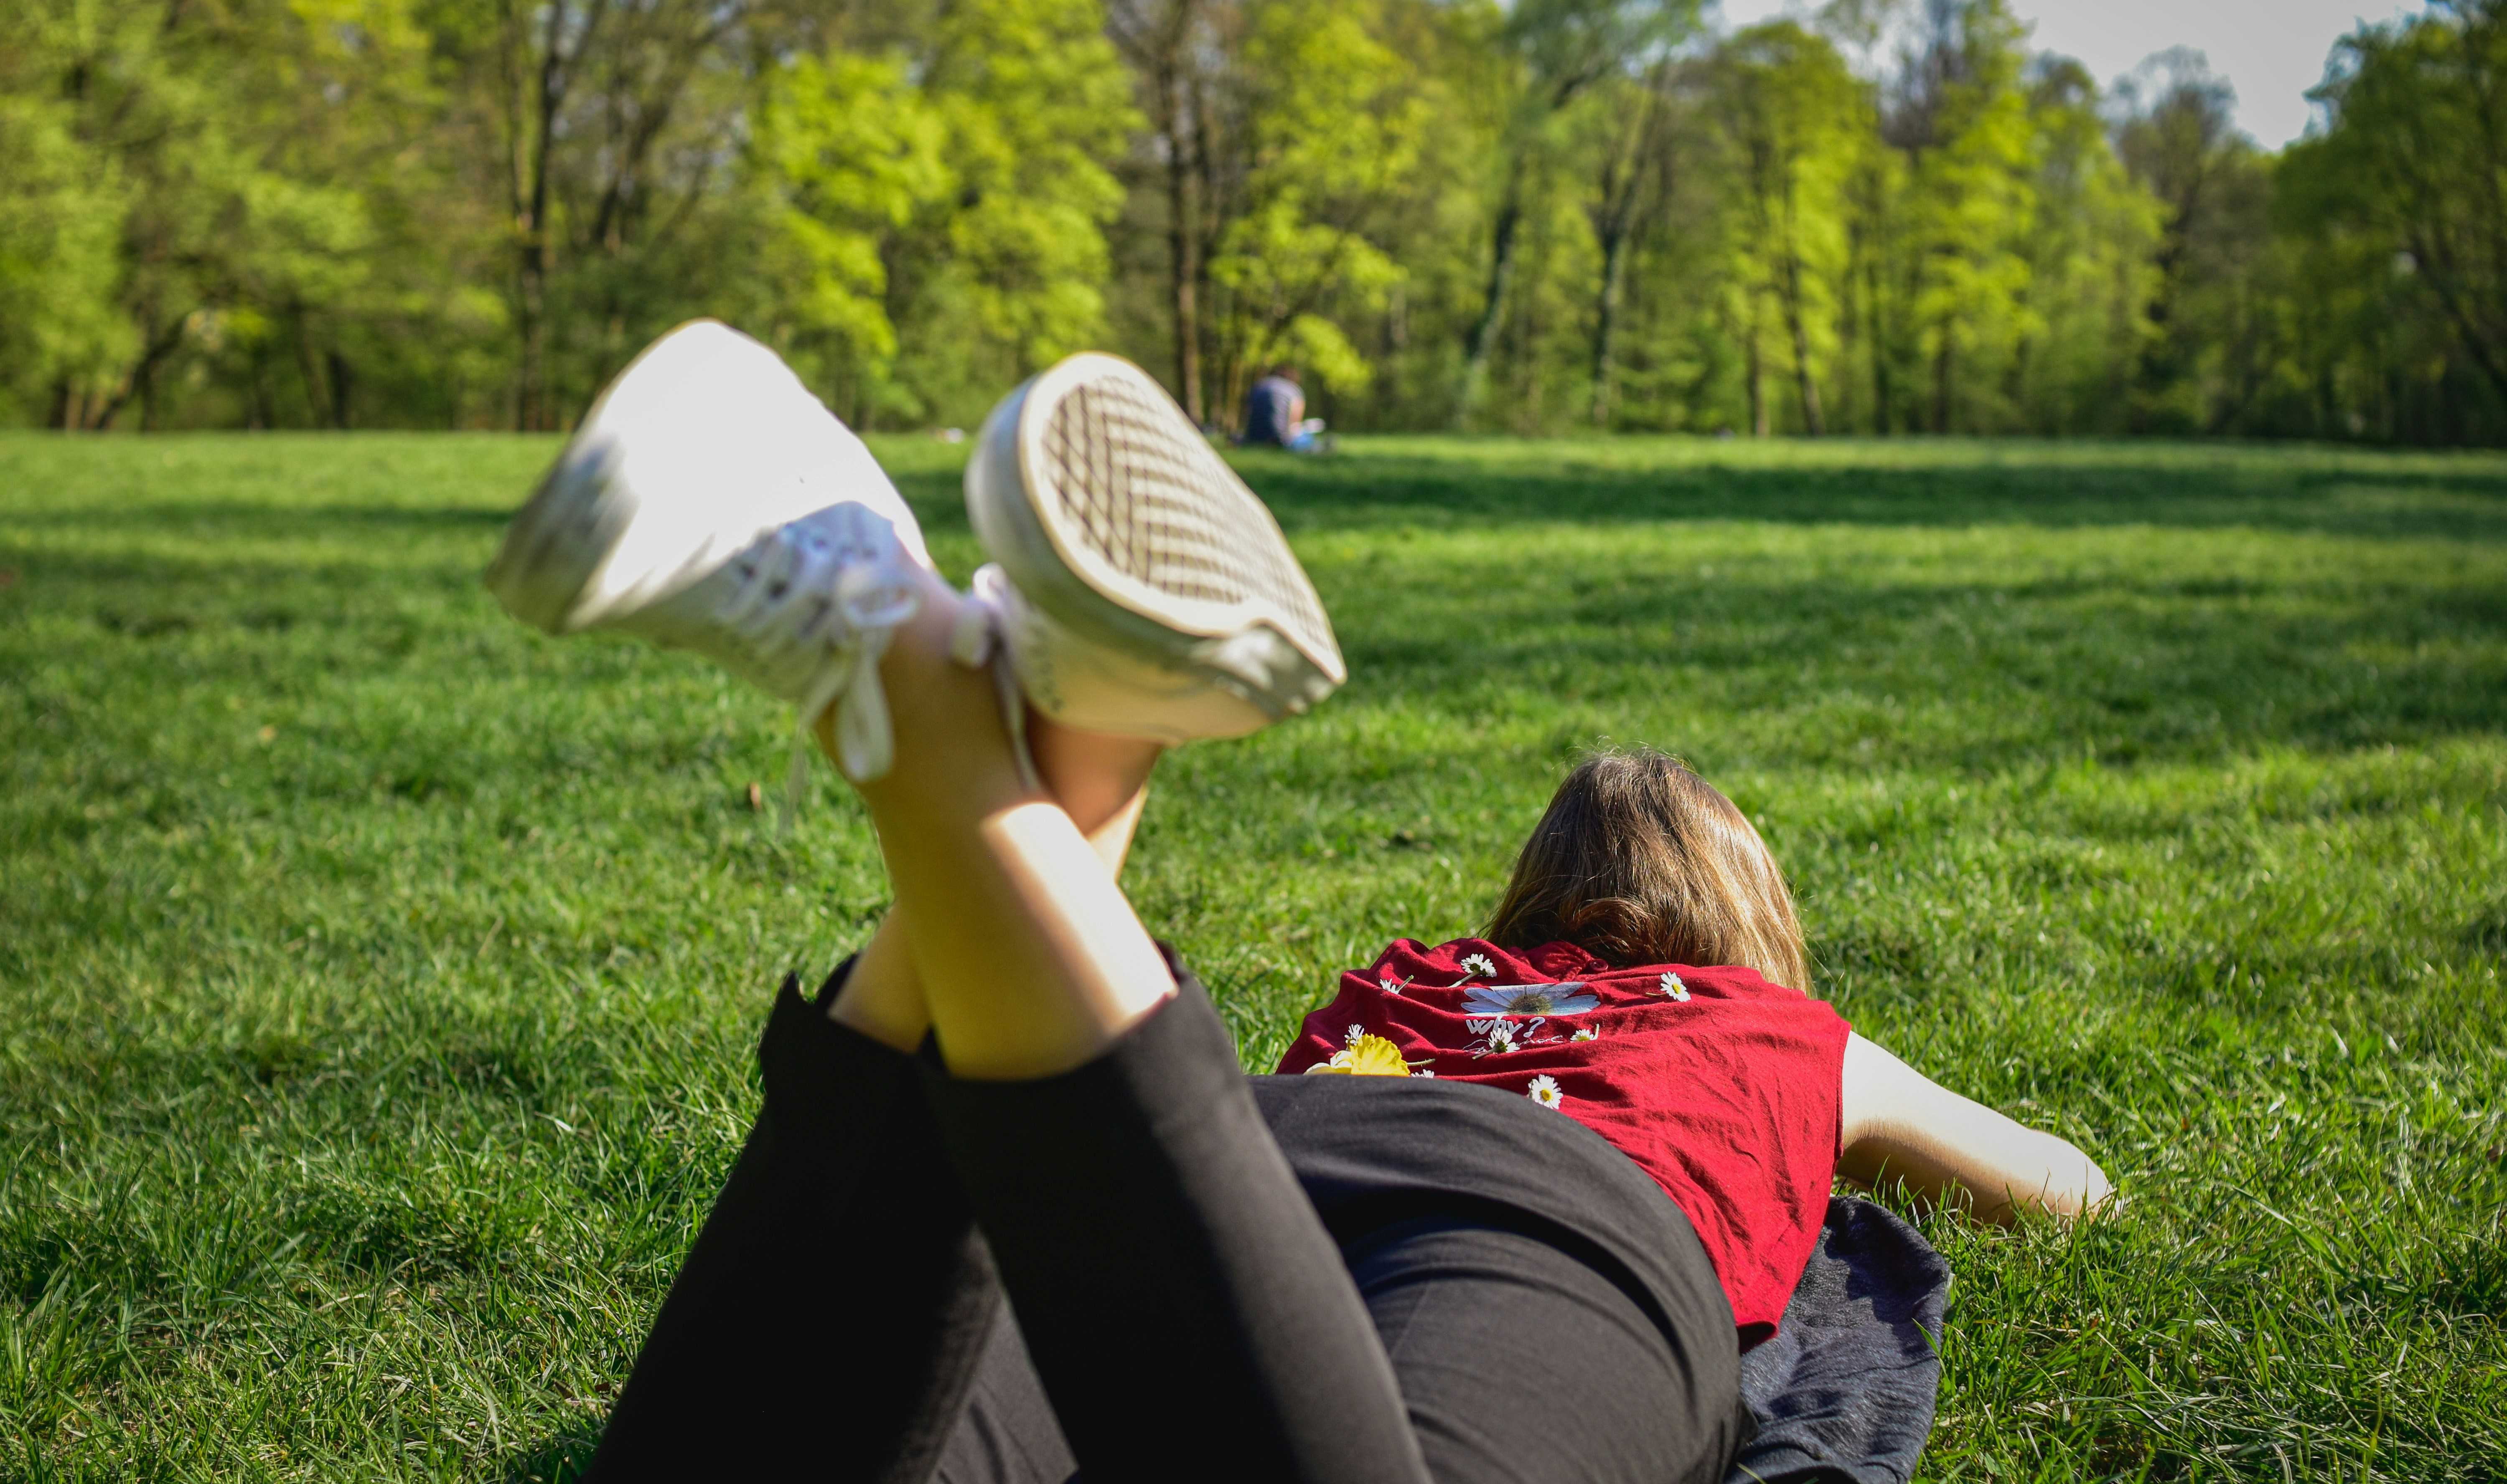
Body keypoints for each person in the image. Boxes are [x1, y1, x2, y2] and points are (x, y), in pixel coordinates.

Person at [483, 323, 2110, 1484]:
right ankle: (965, 708)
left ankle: (1041, 735)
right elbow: (2058, 1187)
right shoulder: (1780, 1027)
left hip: (1257, 1155)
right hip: (1558, 1224)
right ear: (1748, 922)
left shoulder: (1410, 975)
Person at [1241, 362, 1327, 452]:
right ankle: (1320, 447)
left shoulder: (1258, 386)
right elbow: (1294, 424)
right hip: (1280, 440)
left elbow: (1247, 413)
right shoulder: (1295, 390)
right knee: (1306, 435)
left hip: (1253, 437)